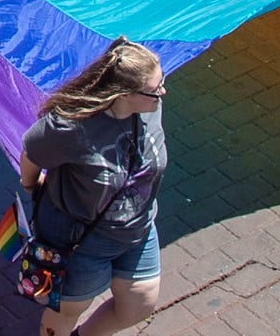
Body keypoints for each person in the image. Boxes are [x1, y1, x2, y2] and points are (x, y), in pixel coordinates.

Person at [15, 40, 169, 336]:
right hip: (81, 241)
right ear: (123, 95)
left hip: (137, 230)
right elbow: (31, 153)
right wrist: (30, 184)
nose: (162, 92)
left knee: (139, 304)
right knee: (67, 311)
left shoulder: (151, 107)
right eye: (155, 88)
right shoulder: (71, 126)